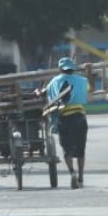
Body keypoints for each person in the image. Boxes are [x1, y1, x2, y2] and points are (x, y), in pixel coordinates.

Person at [45, 56, 90, 189]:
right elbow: (90, 89)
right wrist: (89, 73)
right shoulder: (83, 80)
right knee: (81, 150)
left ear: (60, 69)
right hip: (80, 116)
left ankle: (72, 173)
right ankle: (81, 177)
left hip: (64, 117)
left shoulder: (54, 81)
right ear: (73, 69)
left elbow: (48, 96)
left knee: (67, 150)